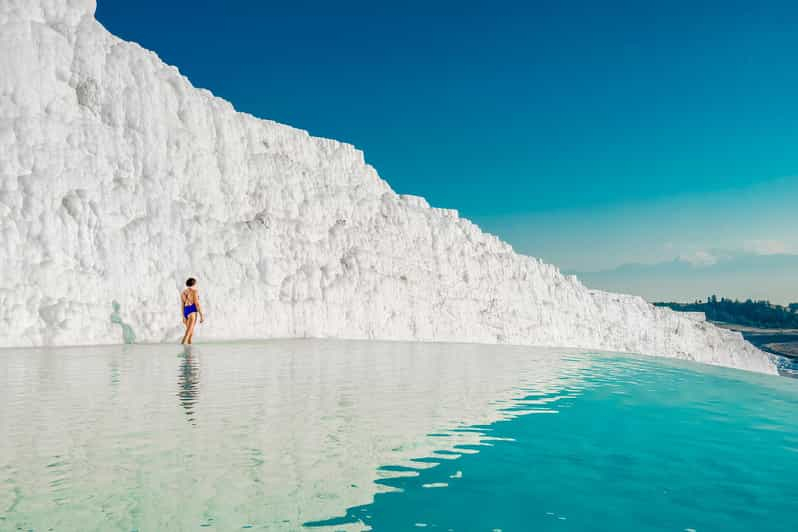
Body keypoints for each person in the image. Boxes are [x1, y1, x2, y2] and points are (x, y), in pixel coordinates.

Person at [180, 277, 204, 344]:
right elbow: (197, 304)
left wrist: (183, 316)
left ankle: (189, 353)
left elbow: (182, 305)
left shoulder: (183, 293)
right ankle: (181, 349)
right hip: (192, 311)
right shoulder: (194, 292)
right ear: (194, 284)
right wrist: (201, 315)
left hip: (186, 311)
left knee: (190, 334)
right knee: (187, 334)